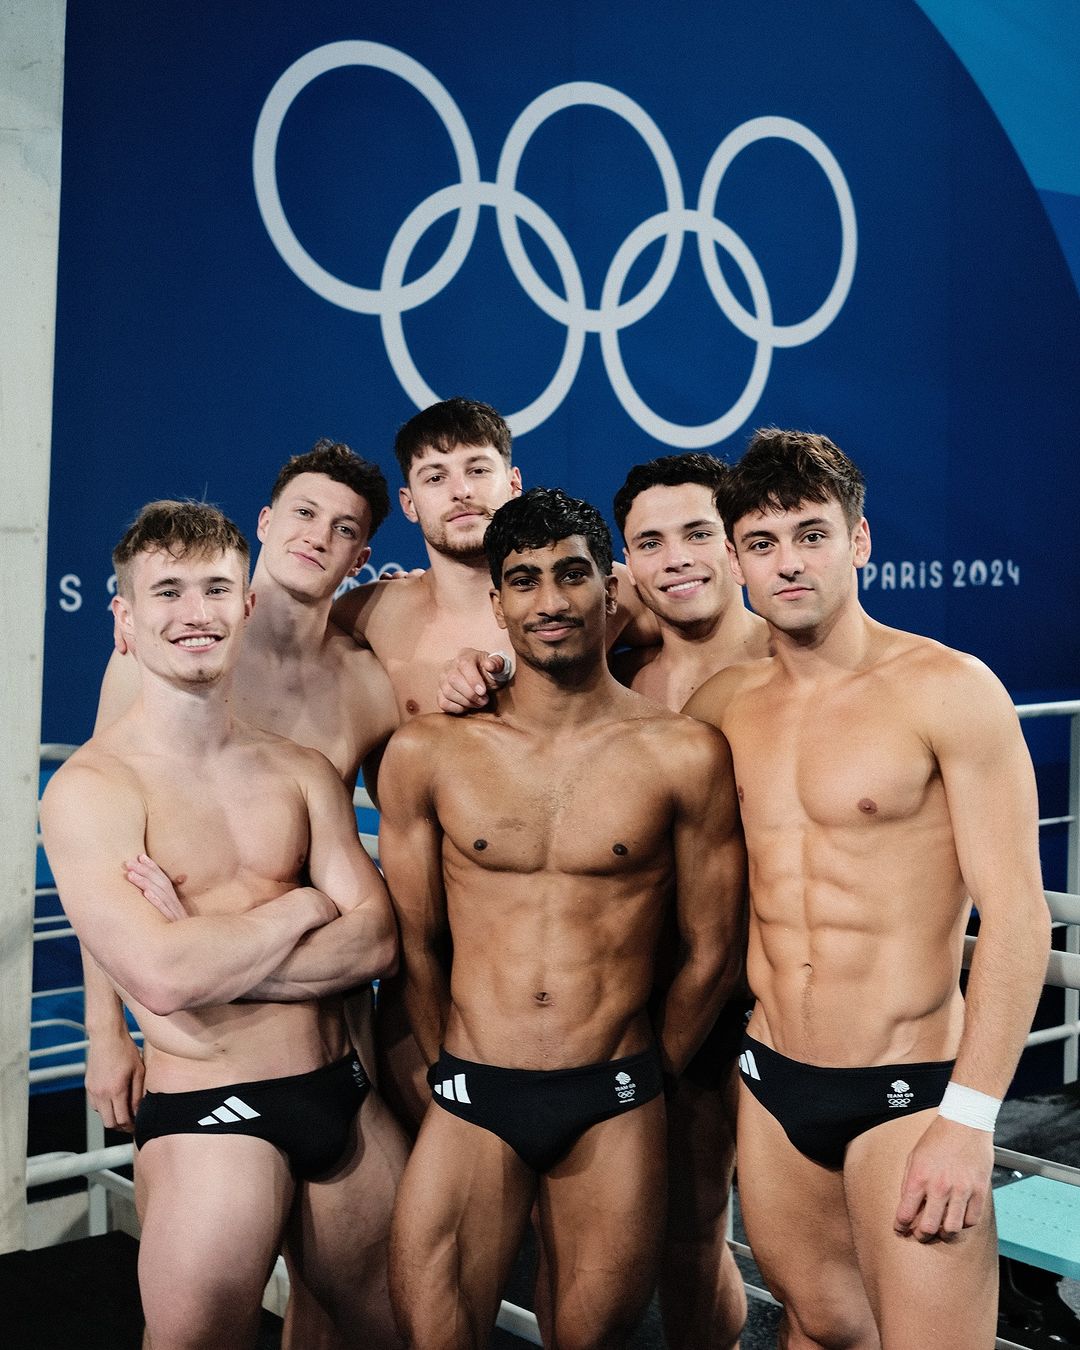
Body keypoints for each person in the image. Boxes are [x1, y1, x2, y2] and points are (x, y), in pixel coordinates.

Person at [685, 428, 1051, 1348]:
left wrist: (968, 1121)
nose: (789, 563)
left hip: (911, 1091)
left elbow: (1016, 917)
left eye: (812, 534)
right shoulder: (721, 708)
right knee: (817, 1328)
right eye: (762, 544)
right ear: (735, 562)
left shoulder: (948, 691)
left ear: (860, 539)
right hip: (772, 1084)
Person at [378, 487, 747, 1348]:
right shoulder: (429, 752)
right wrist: (449, 1067)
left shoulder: (682, 752)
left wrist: (650, 1071)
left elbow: (712, 950)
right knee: (432, 1333)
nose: (551, 602)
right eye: (525, 581)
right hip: (473, 1085)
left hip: (614, 1094)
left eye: (573, 575)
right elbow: (415, 944)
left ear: (610, 591)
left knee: (591, 1339)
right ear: (497, 602)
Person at [40, 502, 400, 1350]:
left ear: (245, 605)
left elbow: (378, 941)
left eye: (215, 589)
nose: (195, 612)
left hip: (345, 1101)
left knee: (390, 1337)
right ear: (126, 619)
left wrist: (212, 944)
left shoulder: (302, 772)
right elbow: (161, 978)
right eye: (167, 592)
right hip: (210, 1111)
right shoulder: (92, 791)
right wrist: (308, 905)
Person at [613, 452, 769, 1350]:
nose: (677, 557)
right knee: (688, 1236)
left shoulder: (804, 660)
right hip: (674, 1007)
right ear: (627, 562)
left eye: (699, 533)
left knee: (817, 1268)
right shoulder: (613, 680)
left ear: (735, 542)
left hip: (798, 1009)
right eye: (651, 541)